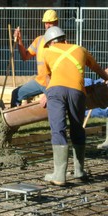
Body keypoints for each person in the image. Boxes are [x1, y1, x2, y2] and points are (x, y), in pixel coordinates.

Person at [41, 26, 108, 186]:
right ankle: (79, 171)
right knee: (77, 128)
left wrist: (46, 94)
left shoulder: (47, 52)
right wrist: (106, 78)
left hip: (56, 92)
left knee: (58, 128)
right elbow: (97, 68)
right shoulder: (80, 49)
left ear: (50, 42)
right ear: (65, 39)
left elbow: (49, 78)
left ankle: (59, 175)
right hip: (78, 91)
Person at [11, 9, 58, 107]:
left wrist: (48, 92)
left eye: (51, 23)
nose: (48, 26)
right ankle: (13, 120)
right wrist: (19, 40)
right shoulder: (39, 40)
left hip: (54, 84)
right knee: (16, 94)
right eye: (46, 23)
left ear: (56, 23)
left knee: (52, 106)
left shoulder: (62, 43)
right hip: (40, 81)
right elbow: (25, 56)